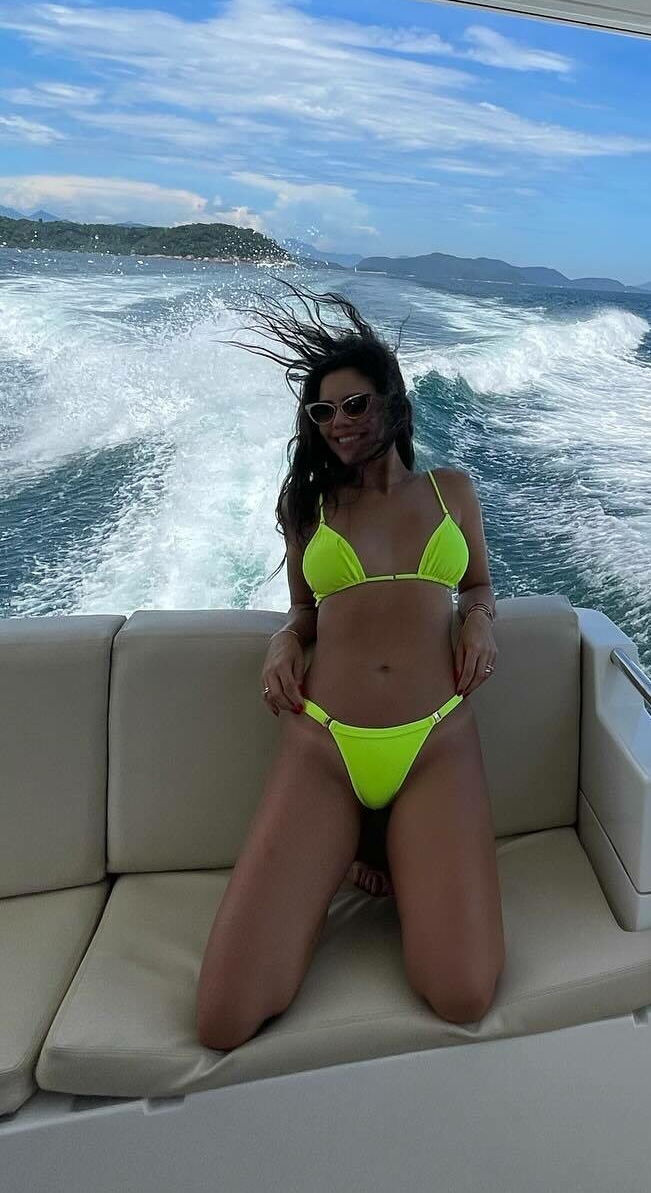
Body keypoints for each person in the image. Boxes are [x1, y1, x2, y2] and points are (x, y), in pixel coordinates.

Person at [195, 283, 505, 1050]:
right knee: (223, 1017)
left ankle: (393, 844)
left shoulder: (452, 492)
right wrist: (283, 640)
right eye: (323, 412)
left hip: (436, 743)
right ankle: (360, 843)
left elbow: (478, 586)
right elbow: (304, 611)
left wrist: (479, 621)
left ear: (393, 402)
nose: (338, 423)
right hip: (324, 746)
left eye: (355, 405)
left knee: (463, 993)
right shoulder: (309, 507)